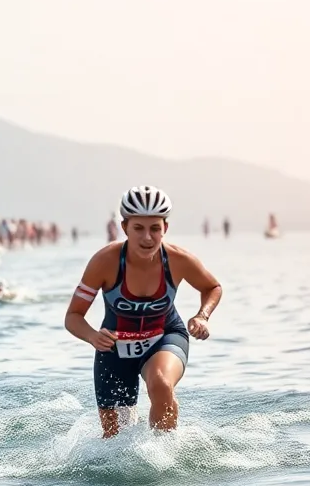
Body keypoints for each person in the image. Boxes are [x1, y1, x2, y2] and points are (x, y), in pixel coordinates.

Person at [64, 186, 222, 438]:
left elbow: (212, 287)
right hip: (114, 347)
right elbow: (73, 317)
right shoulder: (105, 262)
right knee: (114, 437)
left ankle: (166, 452)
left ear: (165, 228)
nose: (147, 237)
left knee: (161, 383)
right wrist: (93, 336)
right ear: (125, 227)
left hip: (165, 336)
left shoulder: (179, 260)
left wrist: (202, 316)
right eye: (138, 228)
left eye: (155, 228)